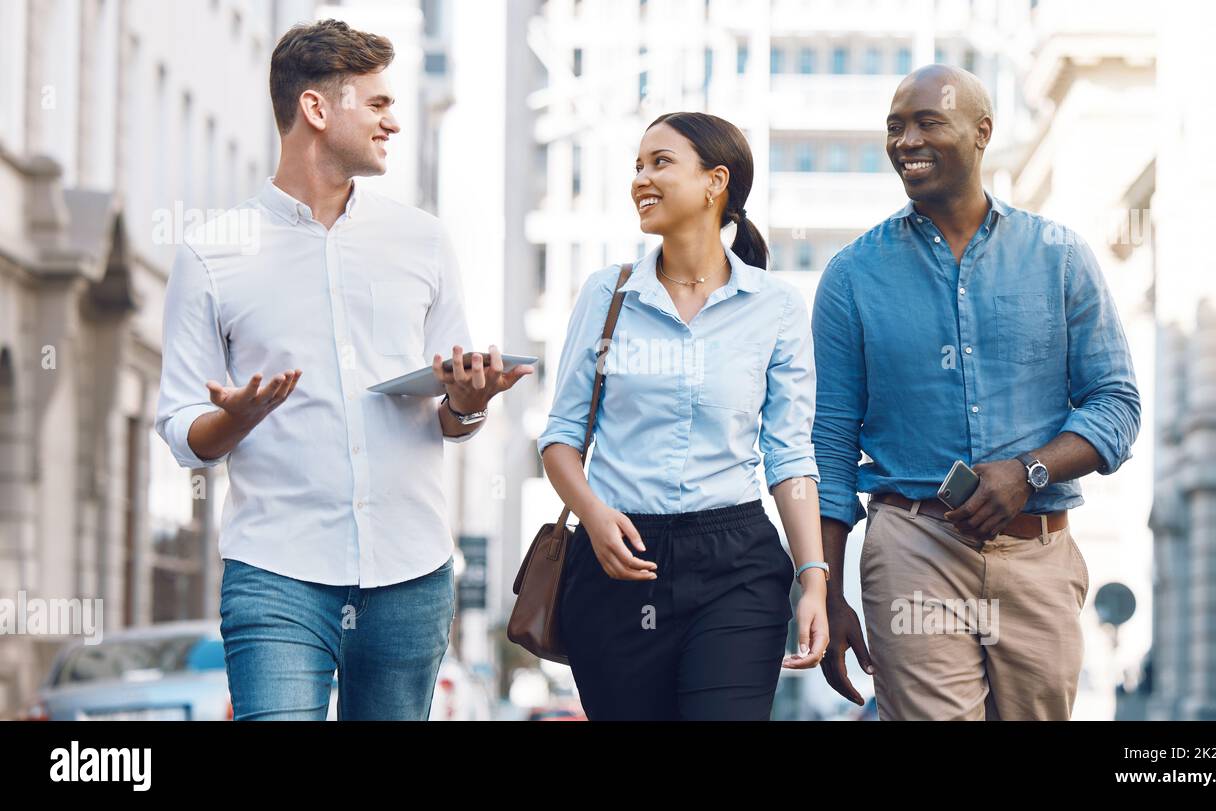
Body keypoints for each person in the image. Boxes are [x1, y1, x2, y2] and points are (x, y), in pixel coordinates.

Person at [154, 19, 530, 720]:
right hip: (277, 570)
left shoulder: (423, 241)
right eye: (378, 103)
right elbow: (180, 425)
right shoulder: (212, 253)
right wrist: (231, 421)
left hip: (410, 571)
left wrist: (469, 401)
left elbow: (453, 412)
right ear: (317, 110)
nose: (394, 121)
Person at [812, 65, 1141, 720]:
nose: (907, 140)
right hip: (914, 544)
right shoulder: (852, 277)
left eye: (928, 122)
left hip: (1039, 548)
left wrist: (1029, 471)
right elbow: (829, 449)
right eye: (895, 126)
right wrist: (824, 588)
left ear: (982, 132)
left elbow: (1117, 404)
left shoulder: (1060, 257)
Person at [537, 112, 829, 721]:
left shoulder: (775, 306)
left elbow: (791, 456)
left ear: (715, 181)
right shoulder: (607, 295)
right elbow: (561, 440)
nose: (641, 178)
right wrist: (593, 517)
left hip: (737, 566)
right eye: (637, 166)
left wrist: (814, 578)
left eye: (660, 163)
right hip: (617, 561)